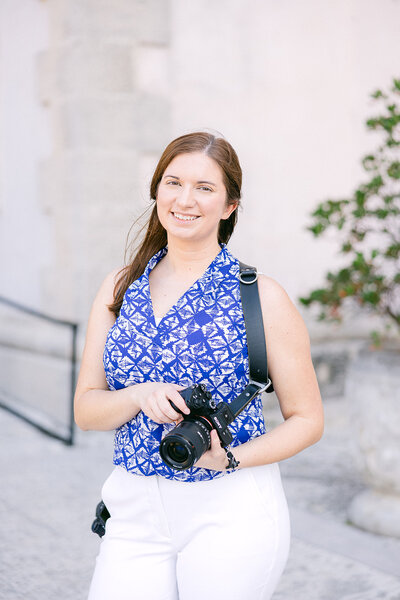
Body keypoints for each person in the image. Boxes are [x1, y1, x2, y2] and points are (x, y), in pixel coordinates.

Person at [74, 131, 324, 600]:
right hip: (133, 507)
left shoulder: (261, 296)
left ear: (230, 206)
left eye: (205, 188)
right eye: (173, 182)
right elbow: (86, 411)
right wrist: (135, 395)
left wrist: (229, 459)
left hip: (230, 509)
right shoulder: (118, 288)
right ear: (157, 191)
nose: (185, 199)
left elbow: (308, 420)